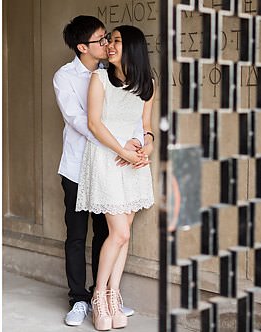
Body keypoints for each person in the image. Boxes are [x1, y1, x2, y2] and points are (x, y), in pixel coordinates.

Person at [53, 15, 143, 327]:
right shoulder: (65, 77)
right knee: (76, 234)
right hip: (78, 167)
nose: (106, 44)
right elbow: (79, 121)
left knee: (106, 233)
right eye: (101, 40)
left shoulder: (112, 73)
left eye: (108, 38)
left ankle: (101, 294)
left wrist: (136, 144)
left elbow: (134, 115)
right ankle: (78, 299)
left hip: (112, 167)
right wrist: (117, 144)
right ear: (82, 47)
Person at [75, 25, 155, 331]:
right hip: (107, 157)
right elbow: (94, 124)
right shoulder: (99, 78)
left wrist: (145, 148)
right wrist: (121, 149)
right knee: (118, 233)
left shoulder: (147, 83)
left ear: (132, 47)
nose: (110, 45)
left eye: (117, 41)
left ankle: (113, 296)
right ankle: (99, 296)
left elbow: (146, 125)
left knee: (126, 232)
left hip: (134, 162)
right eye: (109, 40)